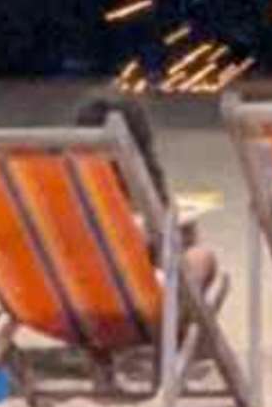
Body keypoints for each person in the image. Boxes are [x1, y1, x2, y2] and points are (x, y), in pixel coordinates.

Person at [76, 96, 219, 289]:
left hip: (72, 290)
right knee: (201, 257)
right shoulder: (115, 181)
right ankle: (170, 302)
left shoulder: (67, 182)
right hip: (124, 288)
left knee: (189, 247)